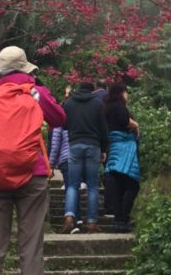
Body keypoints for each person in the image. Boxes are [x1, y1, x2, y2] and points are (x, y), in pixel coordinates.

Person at [0, 45, 66, 275]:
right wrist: (38, 90)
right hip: (33, 174)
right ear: (25, 66)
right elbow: (59, 118)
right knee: (31, 247)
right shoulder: (34, 91)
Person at [62, 81, 109, 234]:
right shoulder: (98, 104)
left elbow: (64, 125)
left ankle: (69, 217)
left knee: (72, 185)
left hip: (75, 145)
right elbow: (103, 128)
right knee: (93, 186)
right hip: (93, 145)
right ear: (93, 90)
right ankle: (91, 222)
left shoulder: (68, 104)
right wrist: (103, 149)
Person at [104, 82, 140, 233]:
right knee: (132, 185)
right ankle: (123, 218)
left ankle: (118, 220)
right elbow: (125, 121)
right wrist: (136, 125)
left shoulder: (105, 108)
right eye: (126, 92)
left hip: (113, 147)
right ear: (121, 93)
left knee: (118, 189)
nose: (128, 95)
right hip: (124, 149)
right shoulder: (119, 106)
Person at [49, 125, 82, 232]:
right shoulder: (76, 122)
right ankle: (78, 218)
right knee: (74, 187)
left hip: (66, 159)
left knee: (70, 188)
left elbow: (55, 146)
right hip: (78, 158)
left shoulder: (59, 125)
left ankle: (73, 221)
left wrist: (51, 165)